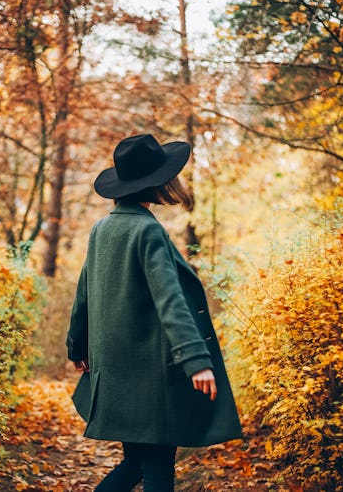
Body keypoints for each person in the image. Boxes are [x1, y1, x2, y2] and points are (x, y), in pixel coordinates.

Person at [66, 133, 242, 491]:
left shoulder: (101, 229)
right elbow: (171, 300)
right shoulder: (147, 231)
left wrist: (77, 347)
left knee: (136, 463)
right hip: (151, 377)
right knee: (158, 469)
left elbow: (83, 294)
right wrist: (197, 360)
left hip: (117, 375)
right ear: (158, 183)